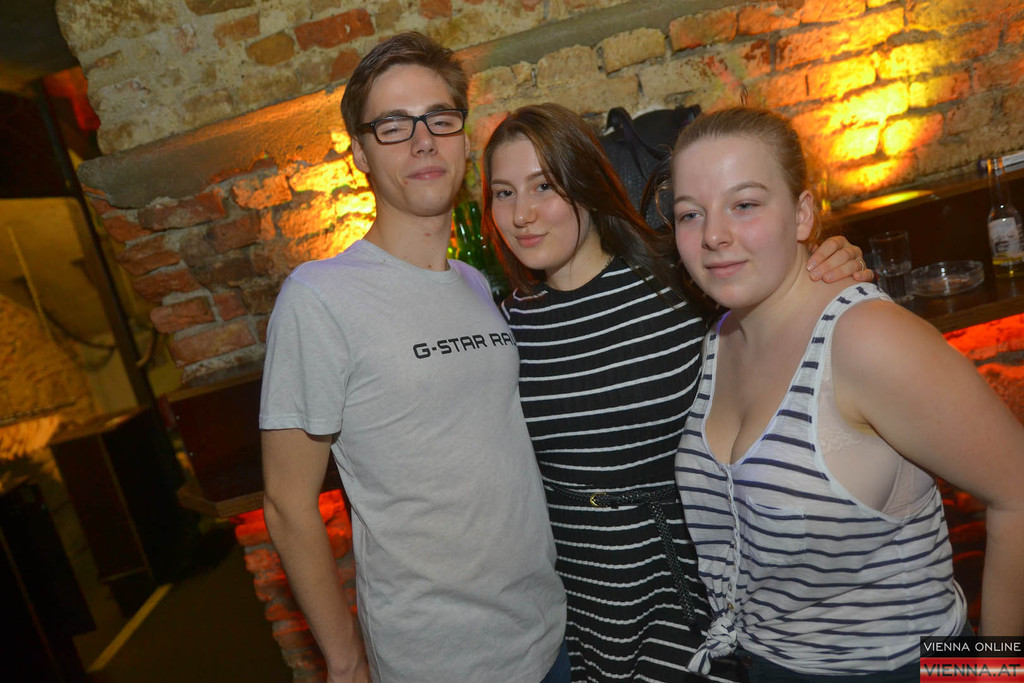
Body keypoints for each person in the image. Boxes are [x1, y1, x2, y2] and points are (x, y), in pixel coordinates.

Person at [480, 102, 870, 682]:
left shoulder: (682, 281)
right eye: (503, 193)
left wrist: (824, 263)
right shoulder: (506, 325)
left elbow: (785, 299)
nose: (522, 214)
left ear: (586, 184)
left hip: (691, 582)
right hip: (582, 599)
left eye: (544, 186)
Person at [671, 107, 1024, 682]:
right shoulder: (718, 338)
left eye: (745, 204)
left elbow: (1018, 492)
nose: (713, 235)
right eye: (691, 214)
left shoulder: (865, 338)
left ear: (802, 213)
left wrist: (993, 675)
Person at [259, 33, 567, 683]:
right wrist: (345, 662)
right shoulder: (319, 297)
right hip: (441, 658)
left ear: (463, 138)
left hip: (548, 633)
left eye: (439, 119)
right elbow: (287, 502)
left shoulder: (477, 284)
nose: (423, 141)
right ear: (361, 153)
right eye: (394, 125)